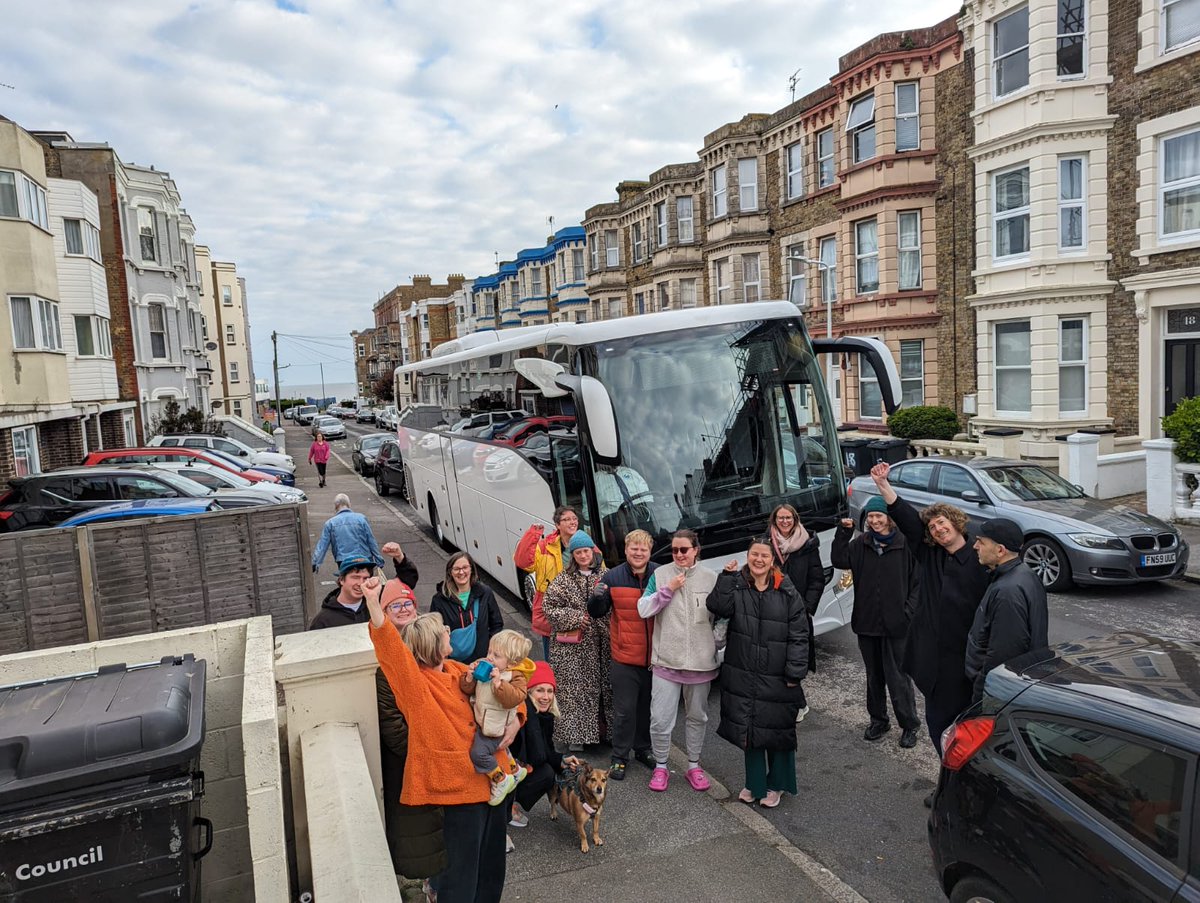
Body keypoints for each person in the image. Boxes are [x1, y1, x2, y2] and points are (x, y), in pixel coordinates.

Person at [364, 580, 520, 903]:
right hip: (460, 796)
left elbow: (510, 687)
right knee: (460, 881)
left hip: (494, 786)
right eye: (445, 630)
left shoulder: (459, 668)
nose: (450, 631)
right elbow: (392, 652)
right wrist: (373, 605)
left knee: (492, 873)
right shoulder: (417, 687)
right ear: (433, 643)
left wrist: (518, 719)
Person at [868, 462, 990, 766]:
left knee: (968, 729)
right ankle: (949, 780)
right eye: (933, 527)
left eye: (942, 523)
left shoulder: (979, 559)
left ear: (957, 523)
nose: (938, 529)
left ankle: (963, 784)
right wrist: (884, 485)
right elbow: (907, 519)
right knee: (937, 725)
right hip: (934, 661)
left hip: (966, 662)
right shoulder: (930, 554)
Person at [707, 537, 809, 808]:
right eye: (754, 555)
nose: (759, 560)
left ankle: (777, 784)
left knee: (778, 732)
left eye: (764, 555)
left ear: (773, 560)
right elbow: (717, 606)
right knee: (749, 731)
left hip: (778, 675)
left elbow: (800, 635)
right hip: (743, 671)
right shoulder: (737, 585)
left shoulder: (786, 590)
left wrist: (794, 673)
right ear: (748, 556)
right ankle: (755, 784)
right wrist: (726, 576)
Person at [831, 497, 921, 748]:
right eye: (870, 517)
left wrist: (907, 612)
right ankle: (879, 720)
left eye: (879, 516)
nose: (874, 521)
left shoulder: (906, 546)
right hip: (867, 622)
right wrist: (843, 533)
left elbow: (917, 584)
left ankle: (909, 724)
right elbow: (839, 560)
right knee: (874, 676)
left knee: (898, 678)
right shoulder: (861, 544)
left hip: (897, 625)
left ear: (889, 518)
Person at [376, 579, 446, 897]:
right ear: (384, 613)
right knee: (417, 834)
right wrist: (424, 750)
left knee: (435, 832)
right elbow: (393, 725)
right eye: (395, 606)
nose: (404, 610)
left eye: (407, 604)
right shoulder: (387, 664)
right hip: (410, 764)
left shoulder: (426, 651)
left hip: (433, 759)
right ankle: (419, 885)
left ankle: (432, 884)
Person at [636, 528, 719, 793]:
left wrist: (717, 643)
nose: (679, 554)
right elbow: (643, 609)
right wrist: (667, 590)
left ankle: (693, 766)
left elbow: (721, 616)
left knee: (697, 717)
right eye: (674, 550)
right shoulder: (660, 575)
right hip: (666, 663)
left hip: (701, 664)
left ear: (696, 550)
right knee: (660, 720)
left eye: (684, 549)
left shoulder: (710, 578)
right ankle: (661, 766)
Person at [587, 529, 656, 780]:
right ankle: (619, 757)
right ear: (626, 550)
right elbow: (597, 612)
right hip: (625, 658)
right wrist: (596, 599)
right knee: (625, 710)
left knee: (647, 708)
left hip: (654, 659)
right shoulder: (612, 577)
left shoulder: (659, 575)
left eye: (643, 549)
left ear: (649, 552)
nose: (638, 553)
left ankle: (643, 749)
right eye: (634, 548)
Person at [965, 518, 1049, 704]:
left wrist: (981, 692)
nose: (975, 546)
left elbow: (1004, 653)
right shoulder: (1023, 574)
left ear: (1000, 550)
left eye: (981, 541)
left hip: (998, 690)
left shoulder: (1007, 591)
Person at [542, 530, 611, 751]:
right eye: (578, 552)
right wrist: (575, 618)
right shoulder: (562, 580)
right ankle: (575, 738)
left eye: (586, 551)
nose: (583, 556)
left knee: (605, 691)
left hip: (602, 644)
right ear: (573, 555)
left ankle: (606, 734)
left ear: (593, 551)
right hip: (572, 650)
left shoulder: (606, 575)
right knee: (573, 692)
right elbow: (549, 608)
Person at [460, 629, 536, 805]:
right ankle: (514, 769)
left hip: (496, 728)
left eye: (496, 655)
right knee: (499, 748)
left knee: (478, 753)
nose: (490, 657)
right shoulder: (488, 668)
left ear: (511, 663)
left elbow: (514, 699)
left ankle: (500, 780)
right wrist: (470, 677)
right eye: (489, 652)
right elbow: (468, 690)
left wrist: (498, 683)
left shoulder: (514, 677)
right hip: (485, 721)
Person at [766, 504, 825, 721]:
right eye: (780, 518)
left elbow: (817, 579)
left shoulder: (807, 544)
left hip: (798, 614)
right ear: (774, 520)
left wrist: (807, 607)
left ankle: (798, 704)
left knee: (794, 658)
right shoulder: (766, 544)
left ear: (795, 519)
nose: (784, 521)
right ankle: (795, 702)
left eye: (788, 518)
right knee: (775, 659)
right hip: (772, 612)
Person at [509, 662, 582, 828]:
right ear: (529, 692)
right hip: (504, 769)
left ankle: (510, 803)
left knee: (547, 773)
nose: (545, 696)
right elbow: (538, 755)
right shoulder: (524, 713)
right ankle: (506, 807)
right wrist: (557, 762)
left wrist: (561, 760)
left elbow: (546, 750)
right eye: (539, 690)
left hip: (520, 767)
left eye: (550, 691)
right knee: (545, 772)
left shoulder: (545, 716)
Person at [514, 505, 585, 659]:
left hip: (578, 610)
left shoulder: (586, 544)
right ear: (557, 525)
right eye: (566, 519)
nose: (572, 522)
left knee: (579, 659)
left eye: (574, 519)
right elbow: (523, 562)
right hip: (552, 613)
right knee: (553, 659)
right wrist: (533, 535)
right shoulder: (545, 546)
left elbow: (599, 571)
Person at [312, 495, 419, 580]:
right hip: (365, 559)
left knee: (351, 586)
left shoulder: (330, 523)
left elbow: (322, 545)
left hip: (344, 562)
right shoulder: (361, 519)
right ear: (349, 504)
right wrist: (378, 559)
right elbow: (370, 540)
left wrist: (316, 563)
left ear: (335, 506)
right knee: (367, 586)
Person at [430, 553, 504, 664]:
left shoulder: (485, 593)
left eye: (465, 567)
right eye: (456, 569)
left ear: (471, 570)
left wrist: (488, 647)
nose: (461, 572)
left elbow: (497, 624)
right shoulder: (439, 600)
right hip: (454, 664)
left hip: (482, 662)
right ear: (450, 572)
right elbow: (433, 633)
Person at [308, 557, 375, 629]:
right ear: (341, 580)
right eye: (355, 577)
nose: (361, 583)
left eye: (365, 578)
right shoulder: (323, 621)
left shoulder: (377, 608)